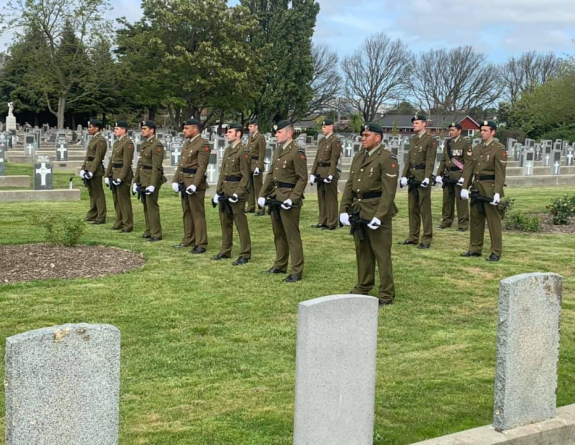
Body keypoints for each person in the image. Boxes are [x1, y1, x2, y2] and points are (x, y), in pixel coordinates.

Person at [340, 122, 399, 306]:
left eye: (367, 135)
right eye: (362, 135)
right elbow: (350, 184)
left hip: (376, 210)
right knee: (362, 251)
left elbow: (389, 192)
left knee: (381, 254)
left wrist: (379, 216)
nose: (363, 138)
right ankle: (363, 286)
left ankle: (386, 293)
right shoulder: (359, 156)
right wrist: (343, 209)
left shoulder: (387, 158)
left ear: (378, 137)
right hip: (359, 209)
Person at [258, 120, 308, 283]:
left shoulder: (297, 151)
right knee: (278, 234)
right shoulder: (279, 150)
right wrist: (262, 194)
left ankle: (296, 270)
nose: (276, 135)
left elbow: (302, 178)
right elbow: (271, 174)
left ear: (289, 133)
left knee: (292, 235)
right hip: (276, 196)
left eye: (279, 132)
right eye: (276, 132)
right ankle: (280, 264)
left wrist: (293, 198)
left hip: (289, 198)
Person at [460, 120, 507, 261]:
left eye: (486, 130)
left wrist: (498, 191)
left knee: (493, 222)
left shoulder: (499, 149)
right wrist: (464, 187)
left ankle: (496, 251)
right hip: (477, 187)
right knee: (476, 220)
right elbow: (469, 169)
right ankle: (475, 248)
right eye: (481, 130)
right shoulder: (477, 148)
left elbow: (500, 172)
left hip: (490, 188)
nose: (482, 132)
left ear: (493, 132)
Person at [211, 122, 252, 265]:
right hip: (225, 190)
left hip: (236, 191)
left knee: (240, 223)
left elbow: (246, 176)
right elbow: (223, 172)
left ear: (238, 134)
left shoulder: (244, 151)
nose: (227, 134)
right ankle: (225, 250)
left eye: (230, 132)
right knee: (225, 222)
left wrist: (238, 193)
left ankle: (245, 253)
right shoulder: (229, 149)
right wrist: (218, 191)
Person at [171, 118, 211, 254]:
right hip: (184, 182)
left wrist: (194, 184)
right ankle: (188, 238)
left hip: (195, 183)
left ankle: (201, 243)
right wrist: (175, 180)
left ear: (195, 129)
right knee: (187, 212)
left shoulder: (202, 144)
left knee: (197, 213)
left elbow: (201, 167)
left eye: (186, 128)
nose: (184, 131)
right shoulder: (187, 143)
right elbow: (182, 165)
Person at [399, 113, 437, 249]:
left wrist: (427, 177)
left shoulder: (430, 140)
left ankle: (426, 238)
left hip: (422, 176)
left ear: (424, 124)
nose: (414, 125)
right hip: (413, 176)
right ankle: (413, 236)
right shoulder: (414, 139)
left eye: (417, 123)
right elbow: (409, 159)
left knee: (424, 209)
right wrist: (404, 175)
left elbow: (430, 160)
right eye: (413, 123)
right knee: (412, 208)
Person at [435, 122, 472, 231]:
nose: (450, 132)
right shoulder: (448, 143)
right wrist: (439, 174)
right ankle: (446, 221)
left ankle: (463, 223)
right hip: (448, 174)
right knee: (447, 200)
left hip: (459, 174)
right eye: (450, 130)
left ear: (459, 131)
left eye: (453, 130)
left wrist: (464, 177)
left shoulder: (465, 143)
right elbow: (443, 160)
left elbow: (468, 163)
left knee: (461, 201)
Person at [133, 120, 165, 241]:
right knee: (146, 206)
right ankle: (149, 230)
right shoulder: (145, 144)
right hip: (143, 178)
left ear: (152, 130)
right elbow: (140, 164)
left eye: (145, 128)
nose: (142, 131)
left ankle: (156, 233)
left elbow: (156, 167)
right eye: (142, 129)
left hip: (151, 178)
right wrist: (136, 181)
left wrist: (152, 184)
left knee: (152, 206)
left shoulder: (156, 145)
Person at [310, 119, 341, 230]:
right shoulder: (322, 140)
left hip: (329, 171)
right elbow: (317, 158)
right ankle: (322, 221)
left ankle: (331, 222)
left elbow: (334, 159)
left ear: (331, 127)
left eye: (324, 127)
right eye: (322, 127)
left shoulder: (335, 141)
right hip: (320, 172)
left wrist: (331, 174)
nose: (322, 129)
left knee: (330, 199)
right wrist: (313, 173)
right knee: (321, 199)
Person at [104, 121, 134, 233]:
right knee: (116, 199)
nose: (114, 130)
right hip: (115, 172)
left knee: (124, 200)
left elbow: (126, 163)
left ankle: (128, 224)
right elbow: (112, 160)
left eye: (117, 129)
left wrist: (121, 177)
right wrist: (107, 174)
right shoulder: (117, 143)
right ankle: (119, 220)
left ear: (123, 130)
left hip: (123, 173)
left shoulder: (128, 143)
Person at [80, 118, 107, 224]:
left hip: (95, 169)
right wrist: (83, 168)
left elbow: (98, 157)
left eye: (90, 127)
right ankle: (93, 213)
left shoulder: (100, 140)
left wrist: (91, 171)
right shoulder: (93, 139)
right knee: (92, 193)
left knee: (98, 193)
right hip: (89, 167)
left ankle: (101, 215)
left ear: (97, 128)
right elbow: (88, 156)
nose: (88, 129)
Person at [245, 119, 266, 216]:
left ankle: (261, 208)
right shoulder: (250, 137)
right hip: (249, 164)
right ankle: (251, 206)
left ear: (256, 126)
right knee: (249, 186)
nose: (249, 128)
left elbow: (262, 153)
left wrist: (259, 166)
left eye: (251, 126)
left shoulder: (260, 138)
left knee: (258, 187)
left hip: (256, 163)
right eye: (249, 126)